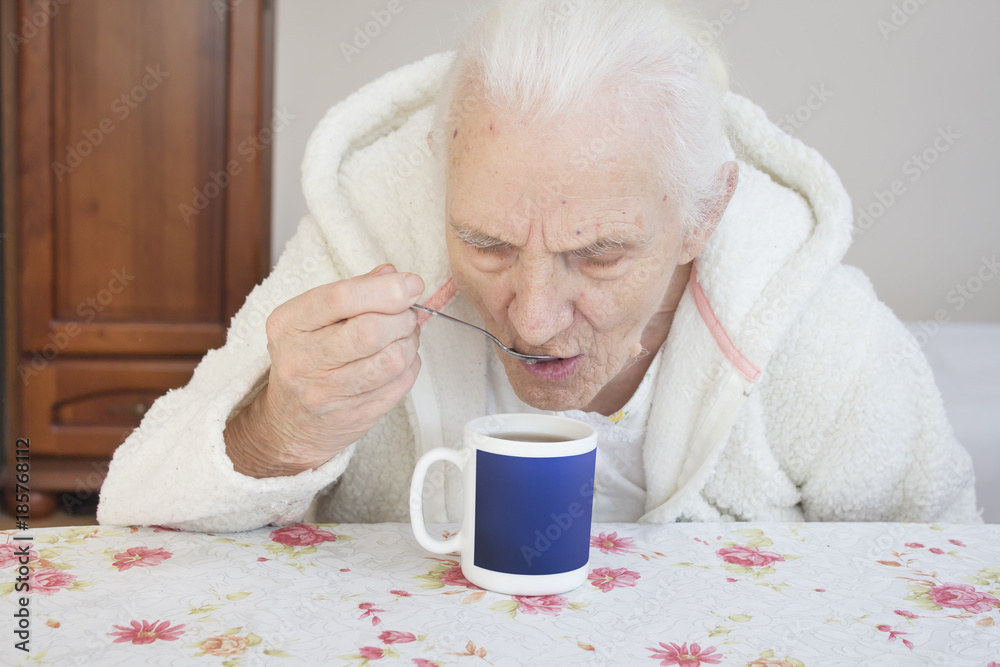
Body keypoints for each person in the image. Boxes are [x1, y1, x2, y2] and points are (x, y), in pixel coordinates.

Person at [97, 0, 980, 531]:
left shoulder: (813, 321)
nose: (530, 318)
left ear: (703, 214)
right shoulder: (369, 235)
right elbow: (133, 507)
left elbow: (949, 579)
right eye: (484, 244)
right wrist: (277, 429)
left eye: (597, 253)